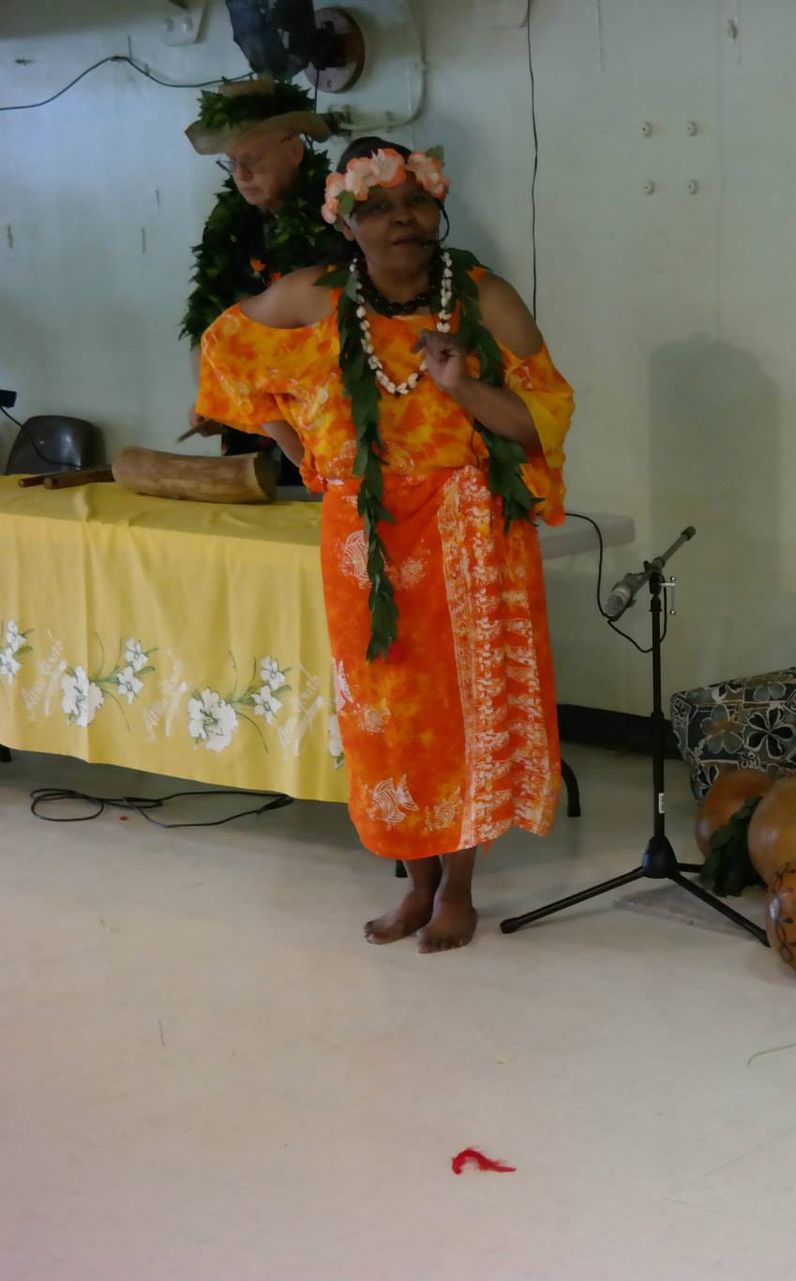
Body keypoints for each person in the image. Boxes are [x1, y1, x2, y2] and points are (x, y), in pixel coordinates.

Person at [193, 137, 574, 952]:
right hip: (363, 533)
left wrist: (462, 385)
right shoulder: (313, 297)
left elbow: (539, 423)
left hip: (471, 526)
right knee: (389, 718)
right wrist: (301, 450)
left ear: (437, 208)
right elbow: (225, 354)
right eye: (378, 207)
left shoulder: (483, 298)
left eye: (415, 202)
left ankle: (459, 892)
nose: (402, 218)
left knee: (465, 715)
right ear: (348, 222)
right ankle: (417, 882)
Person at [181, 78, 335, 486]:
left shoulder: (338, 215)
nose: (242, 174)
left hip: (321, 419)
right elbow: (210, 319)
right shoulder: (228, 222)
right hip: (253, 425)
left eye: (252, 159)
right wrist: (208, 396)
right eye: (231, 163)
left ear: (294, 151)